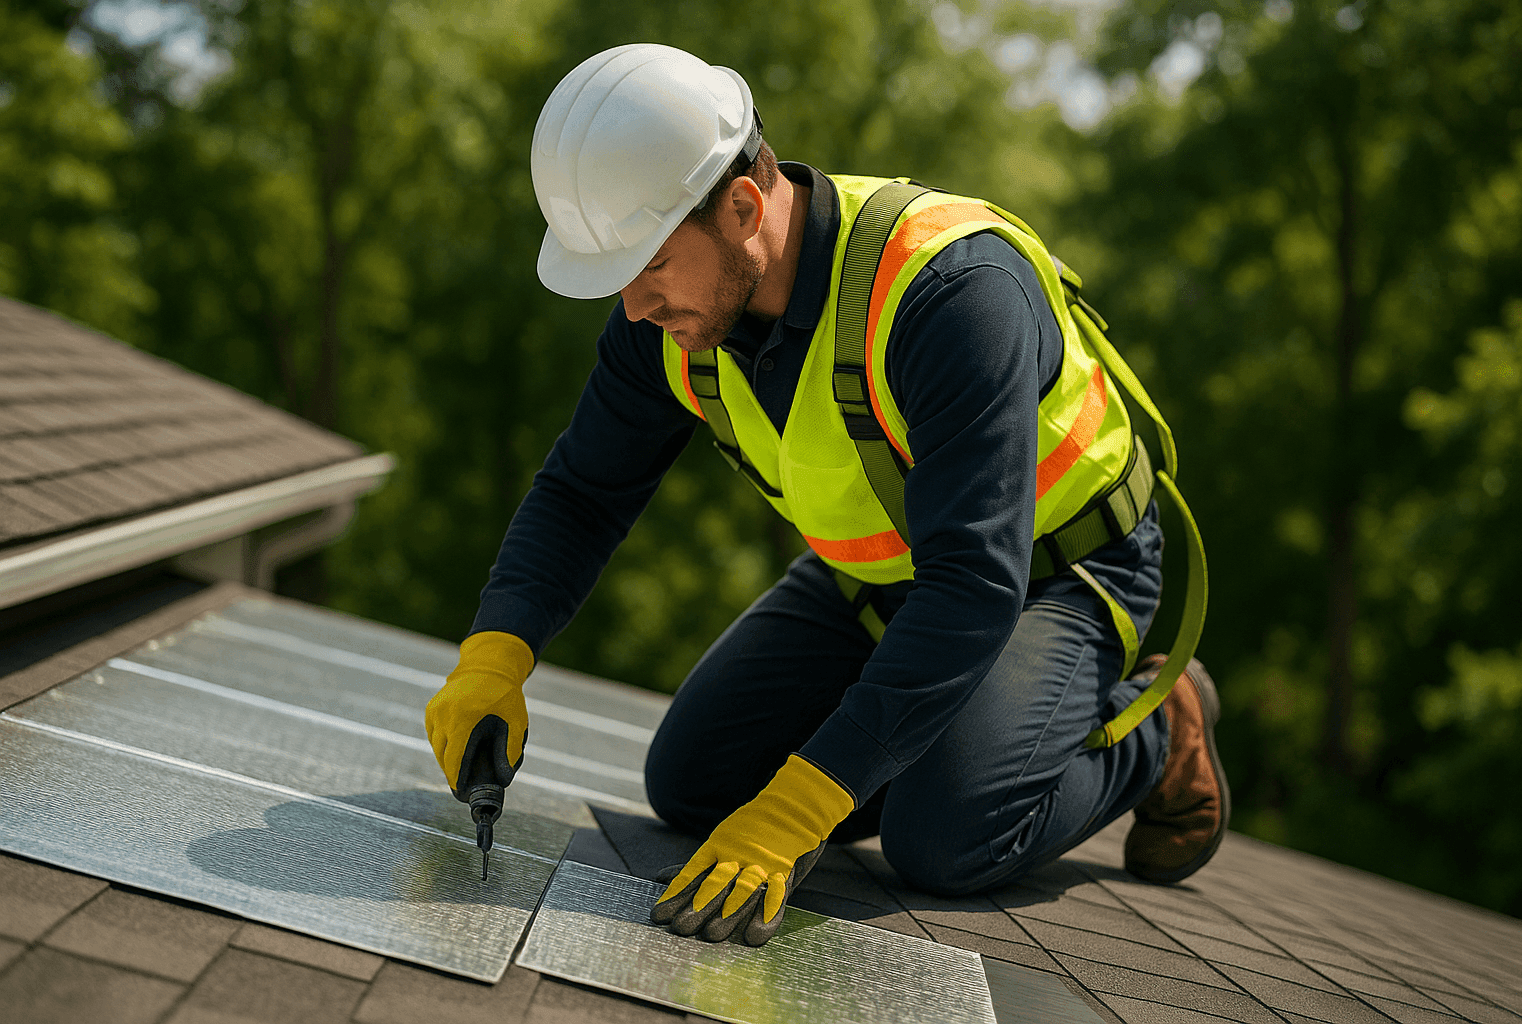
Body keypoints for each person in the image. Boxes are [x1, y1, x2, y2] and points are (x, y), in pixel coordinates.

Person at [425, 42, 1227, 948]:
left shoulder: (951, 292)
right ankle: (941, 739)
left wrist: (804, 802)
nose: (634, 307)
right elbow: (584, 492)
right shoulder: (670, 317)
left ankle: (1163, 730)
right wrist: (495, 655)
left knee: (944, 836)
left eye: (648, 265)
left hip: (1057, 567)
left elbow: (973, 585)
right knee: (695, 784)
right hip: (883, 574)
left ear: (741, 207)